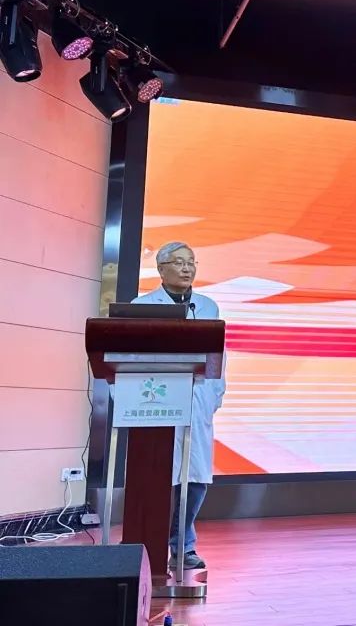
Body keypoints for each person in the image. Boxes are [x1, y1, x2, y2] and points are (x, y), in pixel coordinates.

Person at [131, 241, 226, 570]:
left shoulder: (207, 306)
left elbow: (219, 355)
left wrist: (215, 395)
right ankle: (154, 546)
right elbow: (130, 355)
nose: (187, 268)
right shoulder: (142, 306)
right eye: (179, 262)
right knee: (161, 477)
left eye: (191, 262)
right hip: (155, 401)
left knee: (196, 477)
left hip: (198, 400)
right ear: (161, 269)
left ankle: (183, 546)